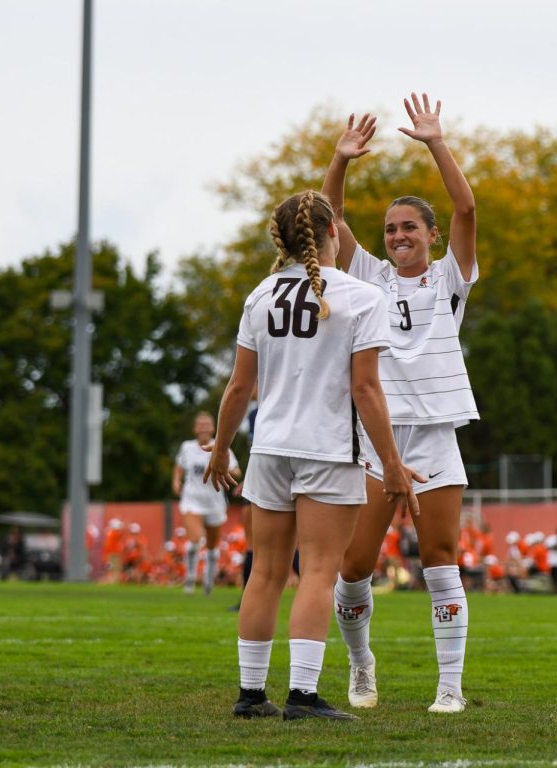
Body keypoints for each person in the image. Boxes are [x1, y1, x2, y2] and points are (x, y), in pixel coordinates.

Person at [204, 189, 421, 722]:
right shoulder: (361, 297)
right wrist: (392, 464)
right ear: (332, 234)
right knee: (320, 571)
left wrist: (224, 447)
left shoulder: (259, 295)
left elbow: (238, 388)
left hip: (270, 450)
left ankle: (251, 695)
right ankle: (302, 695)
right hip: (327, 449)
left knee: (266, 574)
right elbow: (367, 391)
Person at [324, 94, 479, 715]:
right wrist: (340, 162)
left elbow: (467, 205)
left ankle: (450, 687)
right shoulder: (367, 278)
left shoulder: (450, 277)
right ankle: (362, 665)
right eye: (391, 229)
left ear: (431, 235)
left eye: (409, 227)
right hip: (376, 438)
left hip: (436, 436)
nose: (398, 236)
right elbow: (329, 222)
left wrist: (436, 142)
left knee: (441, 560)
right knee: (354, 565)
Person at [173, 412, 240, 595]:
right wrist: (176, 481)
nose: (203, 427)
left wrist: (226, 469)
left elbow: (236, 471)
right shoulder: (186, 447)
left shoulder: (222, 447)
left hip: (215, 501)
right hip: (192, 499)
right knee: (195, 541)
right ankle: (190, 579)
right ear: (195, 428)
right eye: (200, 424)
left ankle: (209, 581)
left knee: (212, 546)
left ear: (213, 427)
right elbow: (179, 467)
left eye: (207, 424)